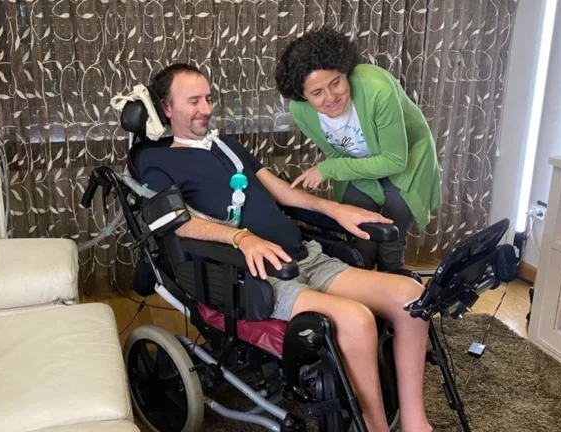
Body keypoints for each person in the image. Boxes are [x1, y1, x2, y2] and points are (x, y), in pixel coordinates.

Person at [138, 63, 433, 432]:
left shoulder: (227, 147)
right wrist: (241, 238)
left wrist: (336, 210)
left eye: (209, 99)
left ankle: (416, 423)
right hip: (252, 277)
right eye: (193, 101)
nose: (206, 109)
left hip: (304, 256)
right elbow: (176, 223)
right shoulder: (155, 161)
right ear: (167, 108)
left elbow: (281, 191)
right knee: (356, 319)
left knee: (411, 298)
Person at [275, 27, 442, 273]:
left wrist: (327, 170)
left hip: (406, 159)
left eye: (336, 82)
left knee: (391, 239)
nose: (331, 97)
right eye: (317, 93)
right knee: (361, 238)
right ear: (302, 95)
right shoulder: (301, 111)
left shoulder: (377, 89)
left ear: (345, 71)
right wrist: (335, 167)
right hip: (358, 162)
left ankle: (393, 286)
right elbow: (336, 151)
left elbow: (395, 161)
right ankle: (364, 291)